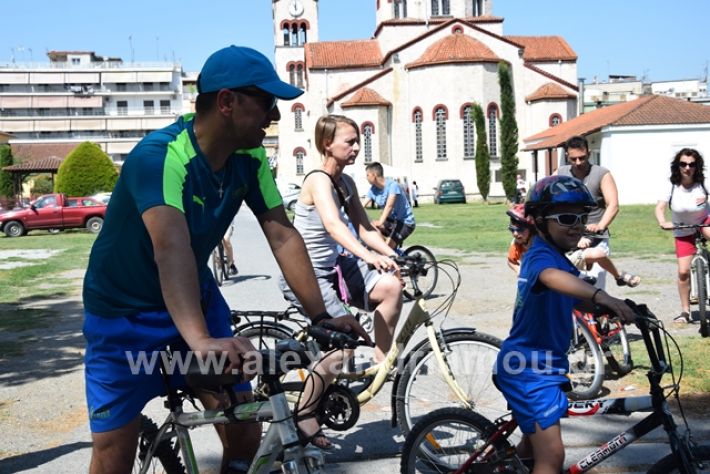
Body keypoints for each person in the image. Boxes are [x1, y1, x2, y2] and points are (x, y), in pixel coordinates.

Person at [82, 46, 368, 474]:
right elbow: (170, 247)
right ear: (227, 102)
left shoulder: (250, 158)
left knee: (245, 431)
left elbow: (282, 233)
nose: (274, 115)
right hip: (124, 313)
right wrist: (199, 342)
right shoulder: (159, 157)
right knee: (113, 452)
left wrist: (321, 315)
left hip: (190, 299)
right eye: (267, 103)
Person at [494, 175, 635, 474]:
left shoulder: (561, 259)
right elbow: (552, 279)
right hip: (527, 369)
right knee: (552, 456)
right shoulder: (538, 257)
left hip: (546, 367)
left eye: (582, 218)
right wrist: (601, 294)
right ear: (540, 221)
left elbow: (574, 297)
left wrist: (614, 308)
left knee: (532, 449)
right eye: (567, 218)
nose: (577, 225)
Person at [280, 115, 403, 447]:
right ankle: (305, 413)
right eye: (350, 141)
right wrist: (367, 256)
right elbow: (335, 226)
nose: (357, 147)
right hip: (306, 275)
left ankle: (380, 364)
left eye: (358, 140)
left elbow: (364, 229)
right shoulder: (317, 180)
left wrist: (391, 255)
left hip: (337, 267)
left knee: (392, 287)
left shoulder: (346, 183)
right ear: (327, 145)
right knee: (343, 343)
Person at [556, 135, 638, 288]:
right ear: (567, 156)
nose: (578, 163)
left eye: (582, 158)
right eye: (573, 159)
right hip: (569, 238)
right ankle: (619, 275)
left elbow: (613, 205)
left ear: (589, 153)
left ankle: (615, 281)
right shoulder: (561, 173)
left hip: (595, 238)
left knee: (595, 289)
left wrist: (600, 225)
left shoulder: (601, 174)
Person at [655, 148, 710, 324]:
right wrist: (663, 222)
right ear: (677, 166)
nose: (687, 167)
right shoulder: (671, 186)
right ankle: (685, 311)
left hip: (704, 222)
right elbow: (660, 207)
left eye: (692, 164)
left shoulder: (703, 184)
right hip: (682, 229)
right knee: (683, 271)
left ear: (697, 166)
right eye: (683, 164)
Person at [363, 162, 416, 249]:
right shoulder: (373, 190)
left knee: (386, 250)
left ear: (374, 175)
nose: (366, 178)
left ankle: (391, 251)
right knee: (372, 231)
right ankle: (391, 247)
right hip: (390, 221)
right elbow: (362, 205)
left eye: (367, 175)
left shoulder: (393, 185)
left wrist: (380, 222)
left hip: (405, 222)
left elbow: (389, 206)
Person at [506, 203, 535, 275]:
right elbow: (510, 260)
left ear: (532, 229)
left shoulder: (542, 245)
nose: (515, 234)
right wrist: (518, 270)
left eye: (520, 229)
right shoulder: (516, 244)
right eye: (512, 229)